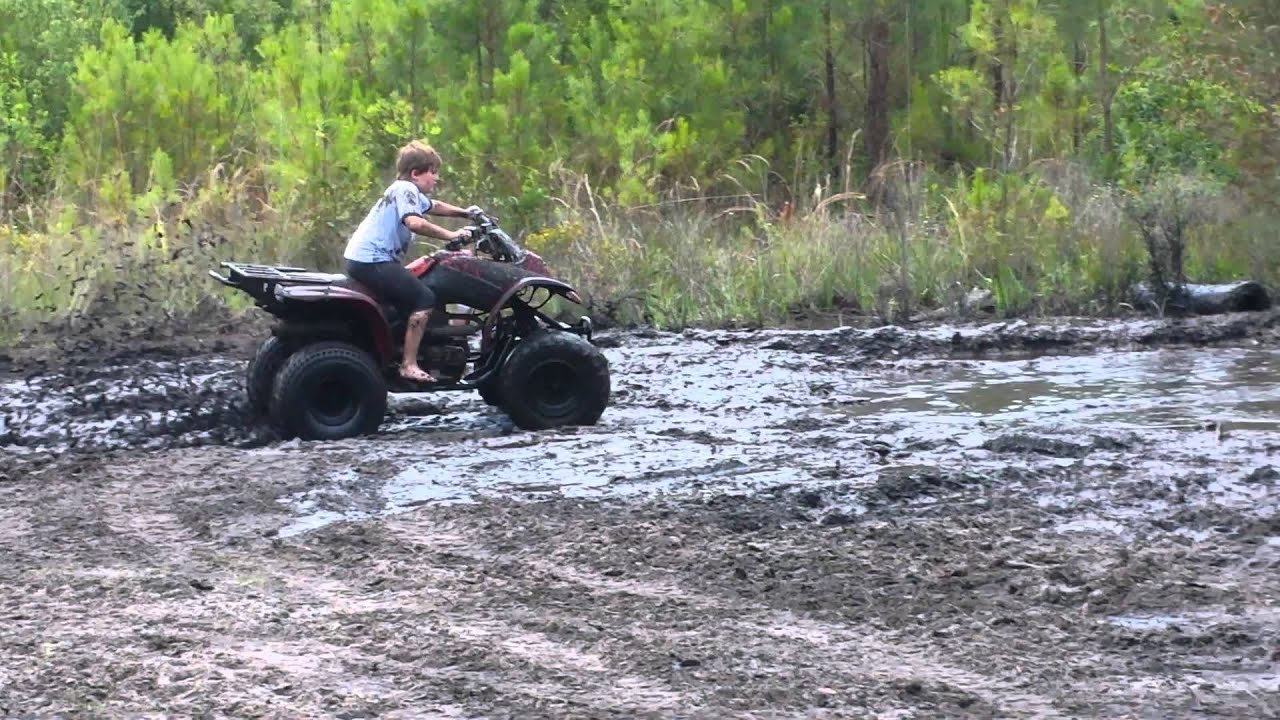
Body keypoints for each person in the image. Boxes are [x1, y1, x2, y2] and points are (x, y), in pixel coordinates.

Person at [343, 141, 480, 383]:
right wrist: (452, 235)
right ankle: (409, 364)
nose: (436, 179)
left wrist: (466, 213)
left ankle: (399, 351)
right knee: (424, 297)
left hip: (365, 259)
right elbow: (415, 223)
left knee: (408, 298)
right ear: (416, 173)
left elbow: (435, 206)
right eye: (433, 172)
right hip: (373, 260)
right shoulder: (405, 189)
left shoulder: (408, 192)